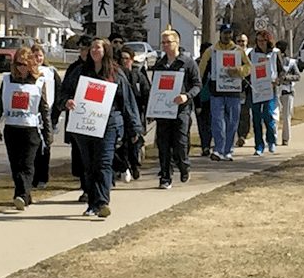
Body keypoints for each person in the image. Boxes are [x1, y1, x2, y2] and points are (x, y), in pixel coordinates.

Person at [63, 38, 142, 218]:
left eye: (97, 47)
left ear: (106, 50)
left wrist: (134, 128)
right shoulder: (79, 72)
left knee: (104, 163)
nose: (94, 50)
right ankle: (92, 203)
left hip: (108, 126)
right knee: (89, 165)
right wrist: (66, 102)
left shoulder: (115, 74)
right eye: (92, 48)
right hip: (84, 126)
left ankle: (102, 202)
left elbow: (127, 103)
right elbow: (64, 93)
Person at [0, 47, 53, 210]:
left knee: (27, 165)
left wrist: (48, 133)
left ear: (31, 65)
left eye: (24, 64)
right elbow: (0, 104)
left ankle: (20, 195)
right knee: (15, 165)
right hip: (12, 128)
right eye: (18, 64)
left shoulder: (39, 82)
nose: (21, 68)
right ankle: (26, 195)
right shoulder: (7, 81)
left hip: (31, 130)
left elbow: (44, 109)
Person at [149, 29, 201, 189]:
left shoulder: (187, 62)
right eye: (163, 42)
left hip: (181, 109)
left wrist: (186, 96)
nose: (165, 45)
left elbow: (197, 85)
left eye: (168, 42)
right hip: (163, 111)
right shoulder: (160, 64)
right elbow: (156, 88)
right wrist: (152, 109)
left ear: (176, 43)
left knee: (180, 143)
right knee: (163, 144)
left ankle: (184, 165)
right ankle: (165, 176)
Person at [198, 23, 252, 161]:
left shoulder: (238, 50)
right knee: (217, 121)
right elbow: (201, 71)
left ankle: (228, 150)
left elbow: (248, 67)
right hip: (216, 91)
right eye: (225, 33)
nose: (227, 36)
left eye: (230, 33)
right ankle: (218, 149)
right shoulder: (211, 51)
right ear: (220, 34)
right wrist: (199, 88)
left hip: (234, 91)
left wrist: (238, 71)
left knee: (233, 121)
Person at [60, 35, 92, 202]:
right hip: (77, 119)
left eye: (87, 48)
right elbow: (63, 92)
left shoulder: (101, 68)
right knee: (80, 156)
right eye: (81, 49)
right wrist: (66, 102)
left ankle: (95, 188)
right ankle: (85, 188)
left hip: (95, 120)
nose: (84, 52)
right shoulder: (74, 69)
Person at [31, 43, 63, 190]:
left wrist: (54, 116)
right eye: (35, 56)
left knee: (45, 147)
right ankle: (32, 177)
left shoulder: (51, 72)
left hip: (47, 115)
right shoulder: (26, 72)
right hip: (30, 117)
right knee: (33, 148)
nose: (37, 59)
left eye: (40, 56)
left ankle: (43, 177)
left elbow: (58, 95)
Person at [117, 45, 150, 181]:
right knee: (122, 143)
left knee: (135, 142)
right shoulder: (117, 75)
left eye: (127, 58)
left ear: (132, 59)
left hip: (136, 114)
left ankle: (135, 165)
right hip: (122, 114)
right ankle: (123, 167)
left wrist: (149, 112)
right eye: (122, 58)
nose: (125, 61)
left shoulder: (139, 75)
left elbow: (147, 93)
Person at [249, 29, 279, 155]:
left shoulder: (275, 54)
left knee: (268, 115)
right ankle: (258, 146)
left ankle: (271, 140)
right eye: (258, 41)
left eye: (263, 41)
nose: (260, 43)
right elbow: (248, 69)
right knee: (256, 118)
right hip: (256, 89)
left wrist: (277, 80)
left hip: (270, 89)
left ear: (268, 41)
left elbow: (281, 71)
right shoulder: (252, 54)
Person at [275, 40, 300, 146]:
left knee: (286, 116)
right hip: (275, 91)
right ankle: (273, 138)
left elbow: (298, 76)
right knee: (274, 117)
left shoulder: (290, 62)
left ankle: (285, 138)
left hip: (287, 92)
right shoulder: (272, 61)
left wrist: (286, 78)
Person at [193, 41, 213, 156]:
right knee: (202, 124)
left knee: (210, 123)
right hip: (200, 99)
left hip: (213, 99)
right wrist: (197, 105)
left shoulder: (214, 64)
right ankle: (204, 146)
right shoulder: (196, 65)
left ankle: (208, 145)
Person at [234, 33, 252, 148]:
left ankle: (243, 135)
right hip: (234, 87)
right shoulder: (233, 54)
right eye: (239, 41)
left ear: (247, 42)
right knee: (235, 113)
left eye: (243, 41)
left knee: (245, 113)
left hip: (247, 88)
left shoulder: (251, 54)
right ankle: (237, 135)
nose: (241, 43)